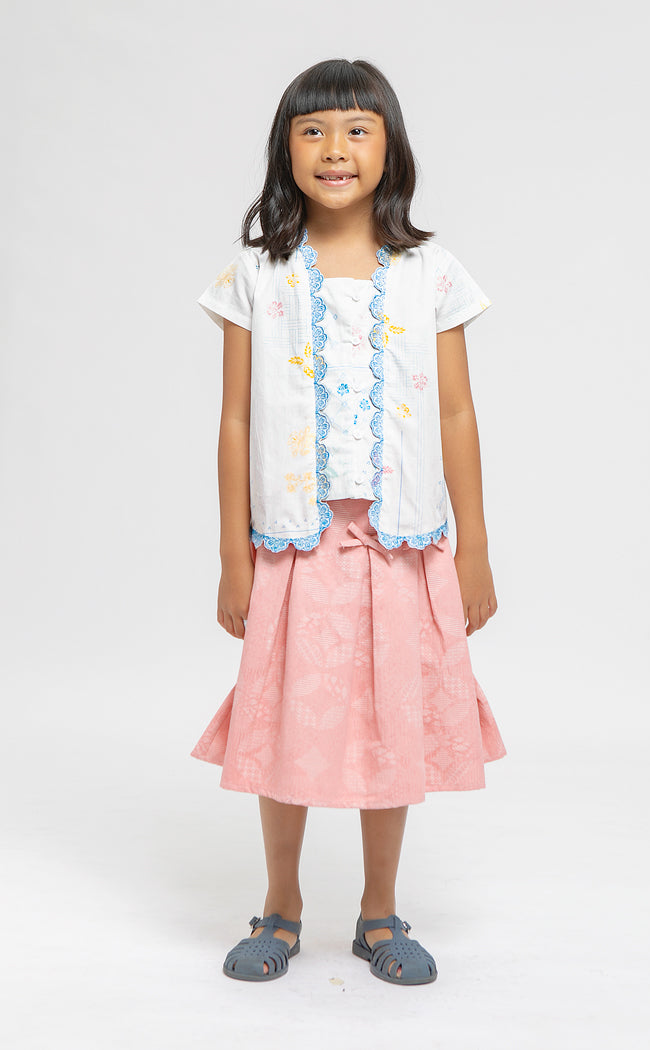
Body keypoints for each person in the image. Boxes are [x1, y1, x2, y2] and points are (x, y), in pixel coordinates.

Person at [191, 57, 506, 986]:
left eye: (357, 130)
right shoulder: (256, 274)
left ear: (390, 149)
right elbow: (235, 419)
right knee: (283, 721)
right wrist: (233, 554)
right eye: (314, 130)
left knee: (390, 722)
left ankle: (378, 912)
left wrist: (476, 549)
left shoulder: (431, 273)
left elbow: (457, 412)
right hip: (293, 544)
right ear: (285, 150)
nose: (336, 149)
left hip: (403, 544)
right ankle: (281, 907)